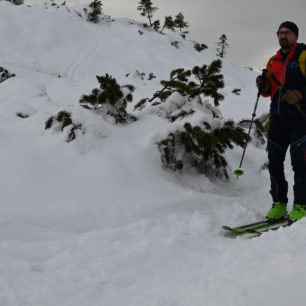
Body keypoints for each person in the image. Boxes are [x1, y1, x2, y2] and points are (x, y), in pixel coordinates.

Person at [256, 21, 306, 223]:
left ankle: (301, 204)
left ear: (295, 35)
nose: (283, 36)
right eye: (280, 33)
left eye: (287, 32)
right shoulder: (272, 61)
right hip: (276, 120)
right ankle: (279, 203)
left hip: (300, 121)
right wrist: (263, 85)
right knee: (274, 163)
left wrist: (300, 94)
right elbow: (268, 92)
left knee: (300, 164)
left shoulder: (303, 56)